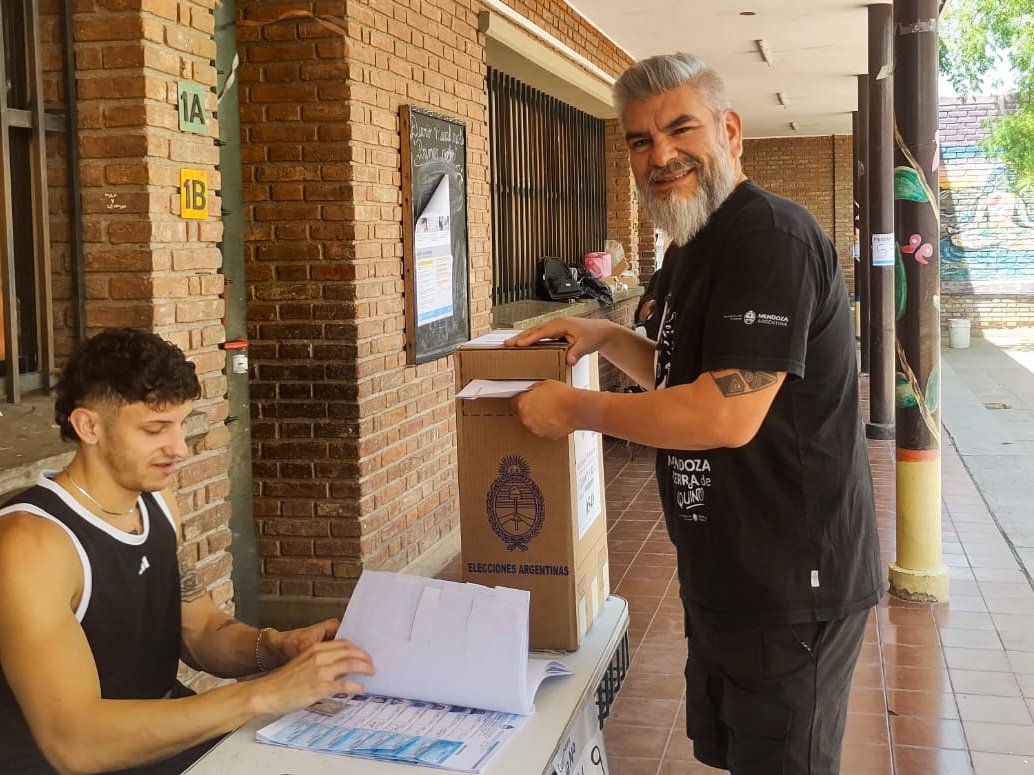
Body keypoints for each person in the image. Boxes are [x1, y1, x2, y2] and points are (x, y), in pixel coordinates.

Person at [507, 53, 881, 774]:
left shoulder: (771, 237)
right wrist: (607, 336)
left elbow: (724, 414)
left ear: (730, 130)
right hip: (724, 572)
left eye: (680, 130)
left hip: (791, 585)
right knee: (737, 755)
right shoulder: (692, 247)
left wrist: (575, 410)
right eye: (640, 141)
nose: (661, 155)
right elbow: (685, 375)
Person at [0, 328, 375, 775]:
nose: (178, 448)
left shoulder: (157, 503)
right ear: (89, 426)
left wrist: (280, 646)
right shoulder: (30, 544)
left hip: (167, 741)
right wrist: (265, 693)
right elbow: (75, 742)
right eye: (156, 428)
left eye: (181, 424)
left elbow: (202, 631)